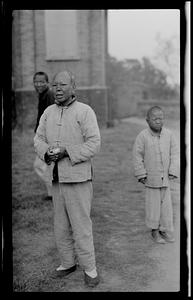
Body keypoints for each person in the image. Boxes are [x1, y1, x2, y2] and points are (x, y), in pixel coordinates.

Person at [34, 70, 101, 287]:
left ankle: (90, 268)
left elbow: (94, 144)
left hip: (78, 178)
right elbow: (38, 138)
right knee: (60, 225)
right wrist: (46, 152)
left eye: (63, 85)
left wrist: (67, 152)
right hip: (56, 178)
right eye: (55, 85)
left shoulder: (85, 111)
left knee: (81, 225)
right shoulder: (48, 112)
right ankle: (67, 262)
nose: (58, 89)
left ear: (74, 87)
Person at [132, 106, 179, 244]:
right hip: (151, 178)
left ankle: (164, 229)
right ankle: (154, 231)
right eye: (155, 119)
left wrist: (173, 170)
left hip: (165, 179)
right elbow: (137, 156)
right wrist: (141, 173)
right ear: (147, 121)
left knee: (166, 207)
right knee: (153, 206)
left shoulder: (169, 135)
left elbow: (175, 154)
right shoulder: (142, 136)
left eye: (161, 118)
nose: (158, 121)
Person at [33, 71, 55, 201]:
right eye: (36, 82)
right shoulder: (43, 95)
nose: (38, 84)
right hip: (42, 135)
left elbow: (51, 118)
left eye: (42, 82)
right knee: (47, 165)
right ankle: (52, 193)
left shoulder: (49, 95)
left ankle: (57, 189)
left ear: (47, 82)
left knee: (39, 165)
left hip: (48, 137)